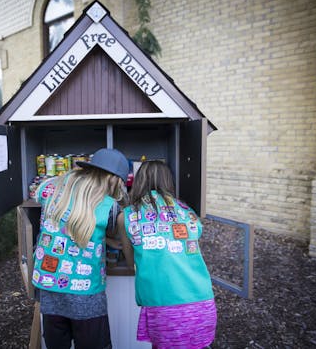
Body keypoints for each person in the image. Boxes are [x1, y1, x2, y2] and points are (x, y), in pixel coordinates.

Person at [32, 148, 129, 349]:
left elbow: (42, 198)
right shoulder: (110, 206)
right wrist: (110, 241)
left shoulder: (53, 188)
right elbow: (107, 229)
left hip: (50, 286)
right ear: (114, 179)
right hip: (86, 294)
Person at [117, 160, 216, 349]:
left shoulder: (128, 215)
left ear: (139, 182)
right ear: (168, 182)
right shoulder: (188, 212)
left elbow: (131, 264)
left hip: (165, 307)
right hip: (203, 302)